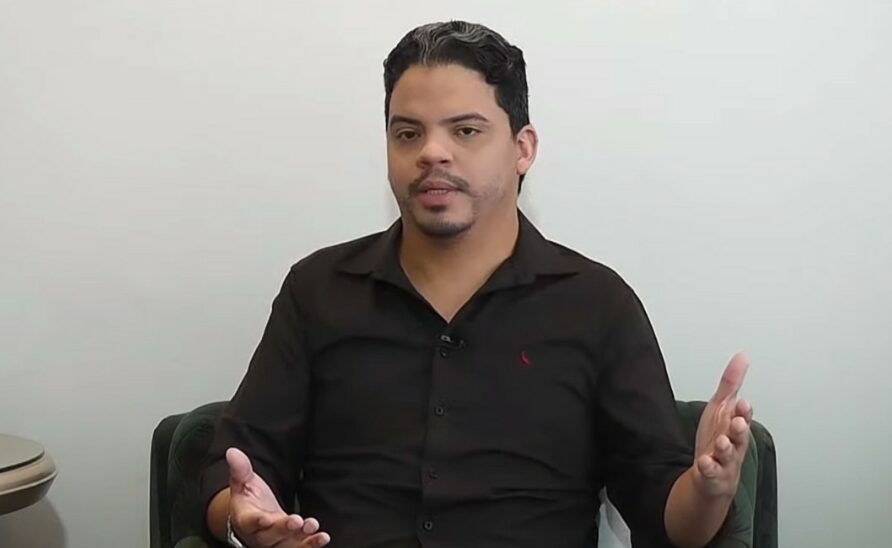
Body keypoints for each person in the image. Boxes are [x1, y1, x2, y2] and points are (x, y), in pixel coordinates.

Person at [198, 20, 753, 548]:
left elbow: (663, 510)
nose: (431, 152)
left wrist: (708, 491)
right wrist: (242, 519)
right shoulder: (319, 291)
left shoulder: (597, 305)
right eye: (407, 133)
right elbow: (236, 472)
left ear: (523, 148)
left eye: (465, 131)